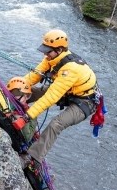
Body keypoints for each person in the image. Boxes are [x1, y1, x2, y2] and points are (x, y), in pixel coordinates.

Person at [11, 29, 98, 166]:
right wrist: (17, 88)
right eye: (45, 50)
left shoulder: (70, 69)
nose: (45, 54)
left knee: (56, 124)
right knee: (27, 90)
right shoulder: (52, 58)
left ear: (60, 49)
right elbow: (34, 75)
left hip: (85, 102)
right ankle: (10, 101)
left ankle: (31, 157)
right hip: (68, 92)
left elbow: (51, 96)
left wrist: (27, 117)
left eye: (48, 51)